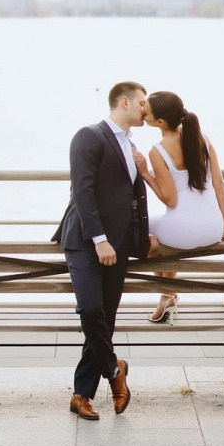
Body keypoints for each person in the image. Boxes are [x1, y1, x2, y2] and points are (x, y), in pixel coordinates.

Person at [52, 81, 150, 421]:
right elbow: (83, 191)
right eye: (141, 103)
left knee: (105, 320)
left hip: (120, 243)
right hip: (84, 239)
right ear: (123, 102)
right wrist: (99, 239)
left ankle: (81, 395)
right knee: (91, 310)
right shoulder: (89, 136)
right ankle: (114, 370)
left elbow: (130, 197)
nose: (145, 109)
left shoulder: (132, 145)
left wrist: (142, 235)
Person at [132, 90, 224, 323]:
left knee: (144, 235)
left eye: (145, 110)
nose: (142, 112)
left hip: (183, 232)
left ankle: (166, 293)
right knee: (156, 233)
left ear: (160, 122)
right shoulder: (203, 139)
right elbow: (219, 184)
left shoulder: (158, 151)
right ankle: (166, 295)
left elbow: (170, 200)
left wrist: (145, 173)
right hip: (213, 228)